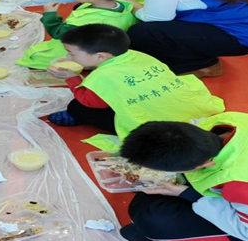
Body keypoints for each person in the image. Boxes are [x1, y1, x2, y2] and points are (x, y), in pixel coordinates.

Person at [119, 114, 248, 241]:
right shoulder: (226, 121)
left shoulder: (246, 186)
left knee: (153, 220)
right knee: (147, 200)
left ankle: (161, 237)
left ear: (205, 164)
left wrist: (187, 193)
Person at [46, 24, 225, 151]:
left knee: (77, 107)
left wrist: (72, 78)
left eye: (71, 53)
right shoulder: (138, 56)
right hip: (187, 107)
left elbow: (91, 102)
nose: (68, 57)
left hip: (158, 126)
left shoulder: (103, 76)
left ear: (100, 56)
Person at [17, 0, 137, 69]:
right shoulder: (123, 6)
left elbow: (59, 33)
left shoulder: (88, 19)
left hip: (80, 51)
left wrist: (50, 15)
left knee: (33, 55)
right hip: (101, 49)